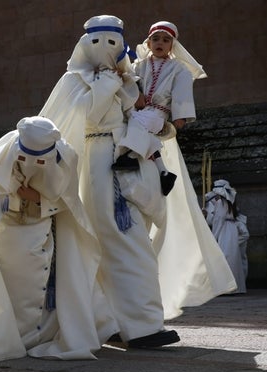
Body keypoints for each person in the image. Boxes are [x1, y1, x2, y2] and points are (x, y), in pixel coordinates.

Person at [39, 15, 235, 348]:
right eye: (101, 43)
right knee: (127, 244)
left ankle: (113, 321)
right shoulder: (76, 80)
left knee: (124, 243)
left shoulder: (128, 76)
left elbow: (148, 116)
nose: (109, 51)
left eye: (115, 43)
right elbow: (67, 122)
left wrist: (160, 124)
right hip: (102, 168)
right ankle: (141, 327)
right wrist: (110, 85)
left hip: (131, 166)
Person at [0, 116, 117, 361]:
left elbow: (68, 200)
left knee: (37, 286)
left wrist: (39, 199)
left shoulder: (66, 158)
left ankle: (35, 335)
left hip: (40, 226)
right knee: (11, 287)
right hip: (5, 231)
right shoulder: (3, 156)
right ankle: (10, 337)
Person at [112, 21, 208, 197]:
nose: (160, 43)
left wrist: (181, 116)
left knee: (138, 122)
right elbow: (129, 78)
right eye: (155, 39)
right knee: (131, 121)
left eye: (165, 40)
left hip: (158, 112)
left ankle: (131, 156)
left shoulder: (179, 69)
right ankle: (164, 172)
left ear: (172, 45)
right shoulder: (139, 65)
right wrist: (128, 82)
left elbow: (182, 92)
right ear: (148, 43)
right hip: (138, 109)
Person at [204, 180, 248, 294]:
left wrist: (213, 238)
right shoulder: (230, 202)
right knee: (232, 257)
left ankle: (226, 288)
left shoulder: (220, 203)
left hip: (224, 230)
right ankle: (236, 287)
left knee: (224, 258)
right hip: (231, 230)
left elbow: (218, 221)